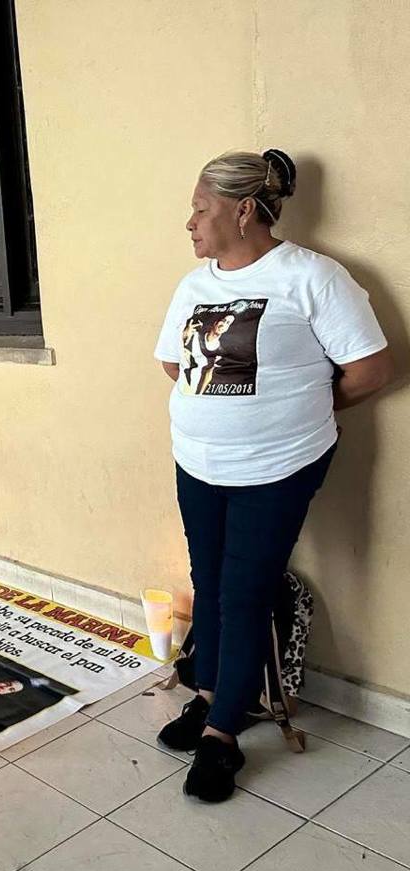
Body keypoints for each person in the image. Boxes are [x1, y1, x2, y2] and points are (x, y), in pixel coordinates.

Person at [154, 148, 394, 803]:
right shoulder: (194, 285)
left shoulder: (312, 277)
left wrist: (302, 407)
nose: (190, 223)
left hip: (279, 467)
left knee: (245, 590)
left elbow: (370, 369)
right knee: (210, 581)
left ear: (241, 210)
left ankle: (223, 734)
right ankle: (209, 694)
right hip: (198, 461)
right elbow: (174, 365)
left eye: (201, 209)